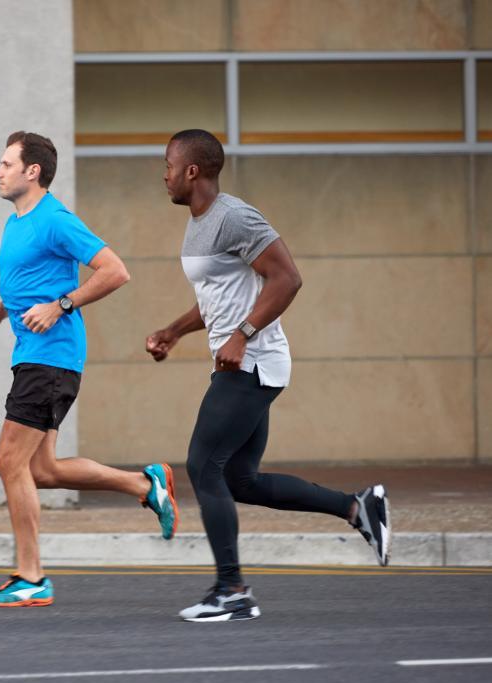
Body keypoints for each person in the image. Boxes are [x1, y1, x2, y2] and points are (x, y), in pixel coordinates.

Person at [147, 129, 391, 623]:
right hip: (245, 363)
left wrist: (243, 333)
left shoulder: (235, 216)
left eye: (169, 165)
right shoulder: (200, 225)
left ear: (192, 171)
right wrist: (174, 331)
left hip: (251, 364)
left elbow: (288, 277)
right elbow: (217, 294)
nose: (164, 174)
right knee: (239, 480)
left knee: (201, 467)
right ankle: (357, 507)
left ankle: (232, 590)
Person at [0, 131, 180, 608]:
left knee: (9, 461)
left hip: (52, 356)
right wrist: (2, 310)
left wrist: (61, 304)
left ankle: (32, 577)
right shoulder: (15, 223)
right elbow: (30, 282)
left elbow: (115, 270)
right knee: (40, 470)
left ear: (33, 172)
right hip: (33, 355)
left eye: (6, 163)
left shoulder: (56, 220)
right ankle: (144, 484)